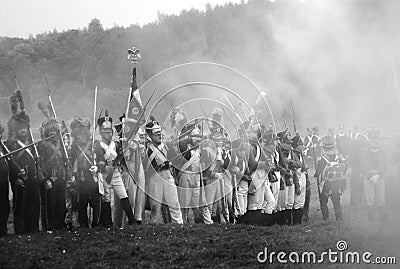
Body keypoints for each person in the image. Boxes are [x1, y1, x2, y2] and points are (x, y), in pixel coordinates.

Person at [5, 90, 41, 234]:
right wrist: (16, 177)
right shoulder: (11, 144)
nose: (24, 131)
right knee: (20, 206)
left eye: (25, 128)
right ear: (16, 130)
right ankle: (20, 230)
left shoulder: (31, 143)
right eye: (20, 129)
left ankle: (33, 228)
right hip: (20, 178)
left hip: (32, 177)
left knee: (33, 203)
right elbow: (11, 163)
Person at [93, 110, 135, 227]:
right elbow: (100, 159)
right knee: (106, 198)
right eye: (106, 132)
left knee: (123, 195)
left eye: (110, 131)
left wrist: (125, 148)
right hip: (105, 173)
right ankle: (107, 223)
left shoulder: (116, 144)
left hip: (115, 172)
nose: (109, 134)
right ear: (101, 132)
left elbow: (122, 155)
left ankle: (131, 220)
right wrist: (102, 165)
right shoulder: (98, 145)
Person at [37, 101, 69, 231]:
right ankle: (49, 225)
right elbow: (42, 162)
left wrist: (67, 175)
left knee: (61, 201)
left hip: (60, 175)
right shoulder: (42, 145)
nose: (54, 133)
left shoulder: (61, 144)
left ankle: (61, 223)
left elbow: (65, 160)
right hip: (50, 177)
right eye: (51, 131)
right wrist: (46, 178)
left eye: (55, 131)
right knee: (49, 202)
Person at [144, 118, 183, 224]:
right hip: (154, 178)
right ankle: (154, 228)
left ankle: (178, 225)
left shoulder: (167, 146)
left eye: (159, 133)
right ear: (149, 135)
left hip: (168, 176)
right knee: (155, 207)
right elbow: (145, 168)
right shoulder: (147, 149)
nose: (159, 135)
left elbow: (176, 159)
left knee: (174, 204)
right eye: (156, 133)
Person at [69, 116, 100, 228]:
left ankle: (96, 223)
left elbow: (101, 160)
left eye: (82, 134)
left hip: (93, 175)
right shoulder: (74, 147)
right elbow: (71, 162)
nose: (80, 137)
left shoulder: (94, 144)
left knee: (96, 201)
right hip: (81, 175)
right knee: (82, 201)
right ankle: (83, 223)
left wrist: (97, 167)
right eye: (78, 134)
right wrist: (72, 175)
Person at [315, 135, 346, 221]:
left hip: (326, 184)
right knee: (337, 202)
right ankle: (338, 218)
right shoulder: (339, 158)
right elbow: (344, 169)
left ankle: (326, 218)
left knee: (324, 201)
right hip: (336, 183)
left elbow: (317, 173)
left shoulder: (322, 159)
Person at [361, 129, 388, 223]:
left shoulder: (383, 151)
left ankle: (383, 220)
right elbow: (363, 165)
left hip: (380, 177)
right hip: (368, 178)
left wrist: (378, 175)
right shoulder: (364, 151)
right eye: (372, 141)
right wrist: (370, 176)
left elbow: (385, 165)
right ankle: (371, 221)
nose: (374, 143)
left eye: (376, 141)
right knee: (369, 199)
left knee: (381, 198)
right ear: (369, 141)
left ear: (378, 141)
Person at [0, 123, 18, 237]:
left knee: (4, 207)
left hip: (3, 183)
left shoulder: (2, 148)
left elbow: (11, 163)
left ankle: (3, 231)